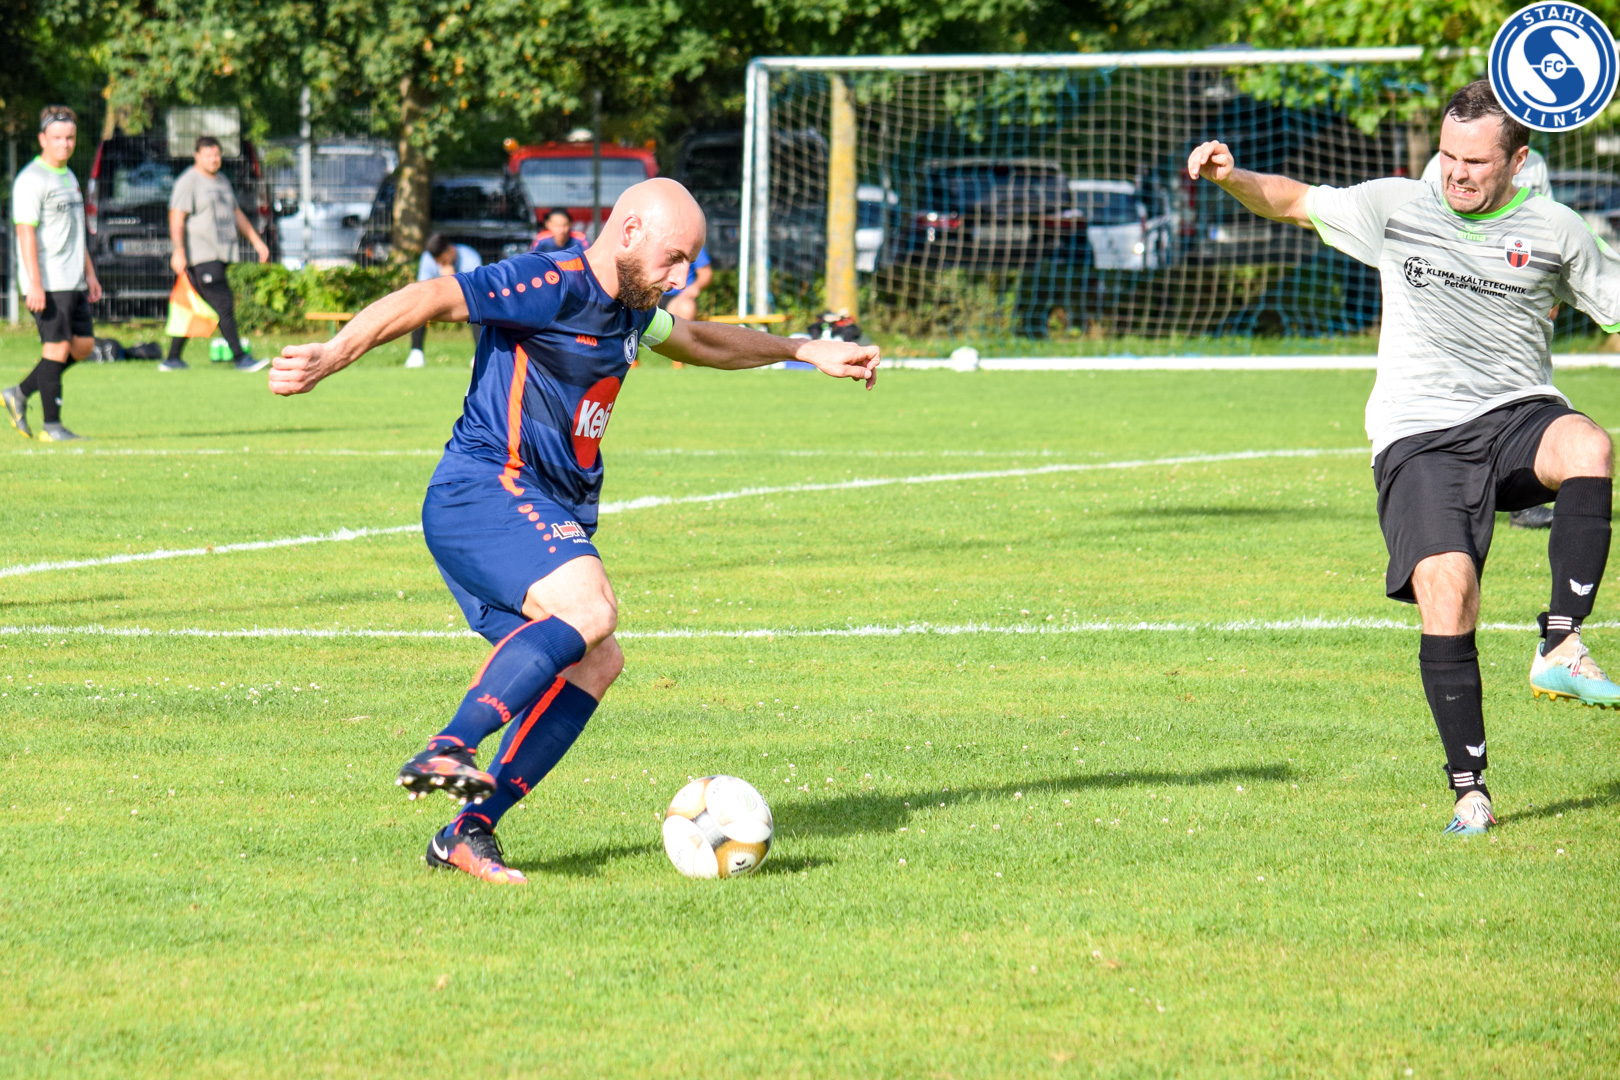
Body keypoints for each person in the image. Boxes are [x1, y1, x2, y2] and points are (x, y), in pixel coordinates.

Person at [270, 178, 879, 884]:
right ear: (629, 231)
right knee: (592, 609)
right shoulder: (549, 280)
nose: (681, 277)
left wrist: (804, 349)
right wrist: (332, 354)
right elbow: (433, 296)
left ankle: (466, 831)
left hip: (525, 509)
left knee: (595, 660)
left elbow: (697, 338)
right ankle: (451, 744)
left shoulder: (632, 308)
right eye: (674, 257)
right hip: (486, 490)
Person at [1187, 80, 1620, 838]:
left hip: (1517, 412)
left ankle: (1561, 641)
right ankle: (1470, 793)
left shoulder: (1557, 229)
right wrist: (1232, 177)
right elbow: (1293, 201)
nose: (1456, 173)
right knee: (1449, 591)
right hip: (1420, 435)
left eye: (1476, 162)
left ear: (1518, 162)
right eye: (1448, 155)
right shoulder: (1397, 206)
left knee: (1590, 443)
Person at [1425, 147, 1557, 530]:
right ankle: (1449, 494)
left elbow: (1548, 227)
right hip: (1465, 295)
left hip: (1518, 294)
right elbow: (1428, 229)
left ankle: (1526, 502)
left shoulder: (1536, 165)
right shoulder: (1440, 167)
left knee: (1527, 392)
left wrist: (1550, 293)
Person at [3, 105, 101, 443]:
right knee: (56, 349)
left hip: (73, 280)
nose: (65, 143)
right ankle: (53, 426)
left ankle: (18, 392)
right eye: (57, 137)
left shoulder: (69, 176)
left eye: (70, 137)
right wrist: (35, 283)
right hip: (48, 281)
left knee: (83, 346)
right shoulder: (32, 179)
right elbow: (25, 233)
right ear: (43, 139)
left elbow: (76, 232)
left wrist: (89, 273)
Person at [160, 136, 271, 372]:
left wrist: (257, 242)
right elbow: (176, 218)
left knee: (193, 307)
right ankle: (241, 358)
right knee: (224, 304)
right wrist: (178, 251)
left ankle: (172, 359)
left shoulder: (222, 181)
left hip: (220, 254)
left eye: (217, 155)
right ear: (197, 156)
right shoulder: (188, 181)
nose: (214, 159)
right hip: (201, 255)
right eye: (209, 155)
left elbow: (236, 213)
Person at [406, 233, 481, 368]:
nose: (439, 264)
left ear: (451, 250)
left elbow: (475, 291)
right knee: (419, 304)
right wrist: (443, 282)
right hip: (437, 298)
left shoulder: (470, 257)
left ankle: (479, 354)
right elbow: (423, 289)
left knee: (478, 307)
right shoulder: (428, 258)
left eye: (442, 261)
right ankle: (416, 353)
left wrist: (453, 280)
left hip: (465, 301)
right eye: (437, 262)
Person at [661, 244, 712, 321]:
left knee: (686, 307)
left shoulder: (691, 243)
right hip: (648, 295)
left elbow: (706, 273)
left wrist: (695, 286)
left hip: (678, 297)